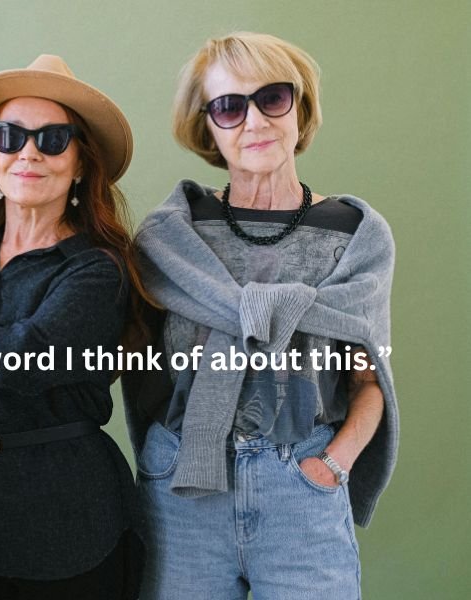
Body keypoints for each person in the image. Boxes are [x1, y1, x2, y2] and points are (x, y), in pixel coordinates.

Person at [123, 32, 398, 599]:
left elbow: (369, 383)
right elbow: (140, 369)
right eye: (229, 106)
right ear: (208, 127)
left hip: (302, 485)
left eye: (272, 98)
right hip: (184, 488)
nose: (254, 121)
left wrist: (332, 465)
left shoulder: (355, 237)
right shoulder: (171, 238)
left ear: (300, 108)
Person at [0, 55, 147, 599]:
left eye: (53, 139)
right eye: (10, 136)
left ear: (81, 163)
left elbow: (22, 358)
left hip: (71, 527)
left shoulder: (97, 269)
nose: (29, 152)